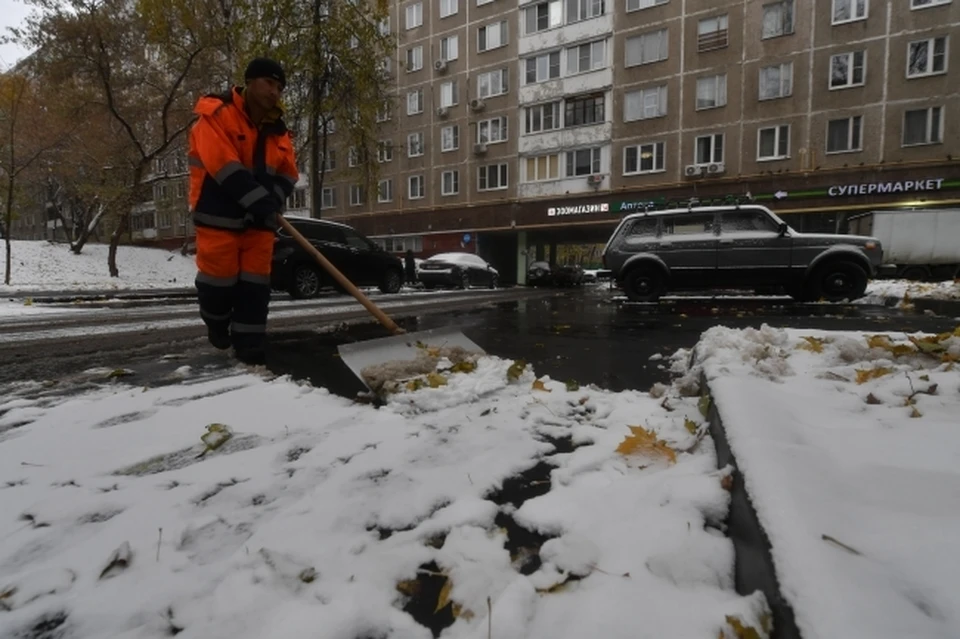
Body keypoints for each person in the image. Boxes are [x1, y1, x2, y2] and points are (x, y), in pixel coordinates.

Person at [187, 57, 298, 365]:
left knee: (255, 288)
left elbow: (288, 173)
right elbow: (223, 165)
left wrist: (271, 202)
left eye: (279, 86)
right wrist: (261, 201)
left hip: (259, 224)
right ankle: (217, 325)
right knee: (217, 284)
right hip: (218, 217)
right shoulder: (216, 114)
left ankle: (250, 347)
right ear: (249, 82)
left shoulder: (279, 132)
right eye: (268, 83)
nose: (274, 92)